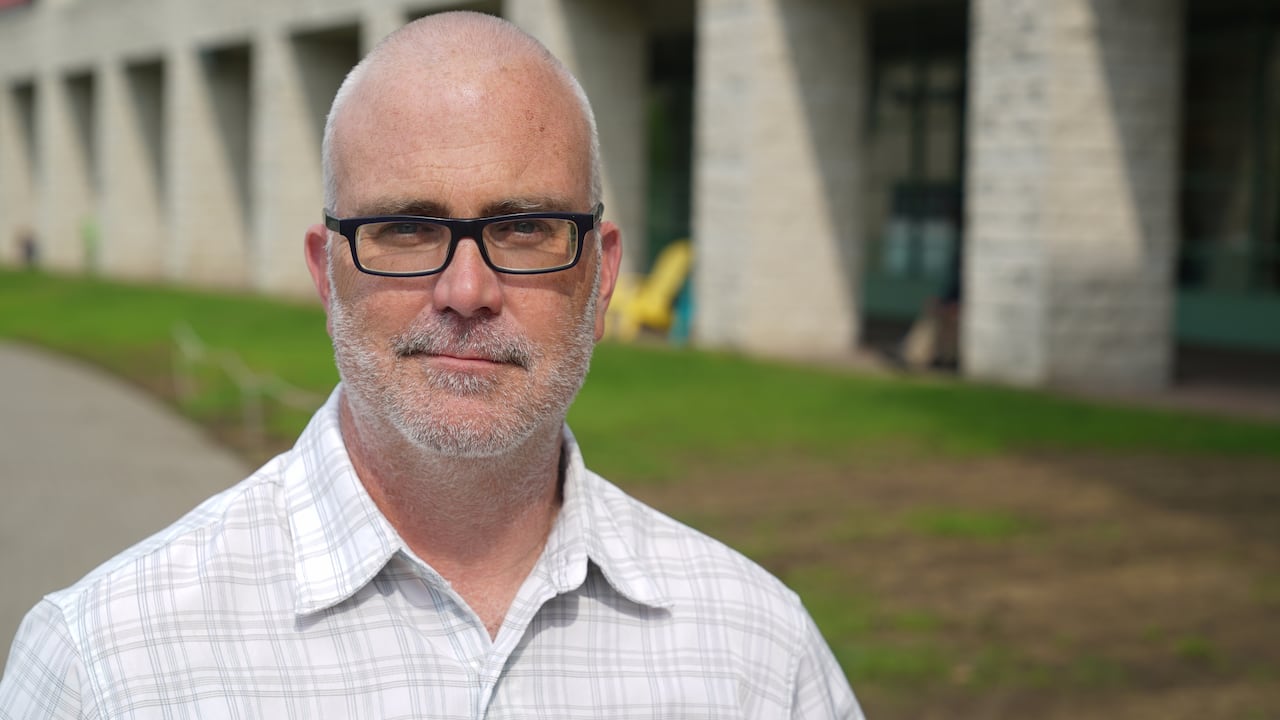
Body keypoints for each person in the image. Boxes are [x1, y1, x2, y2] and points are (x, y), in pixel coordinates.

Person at [0, 12, 862, 718]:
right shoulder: (106, 665)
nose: (466, 288)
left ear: (602, 278)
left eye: (524, 228)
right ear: (325, 275)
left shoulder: (758, 655)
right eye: (406, 229)